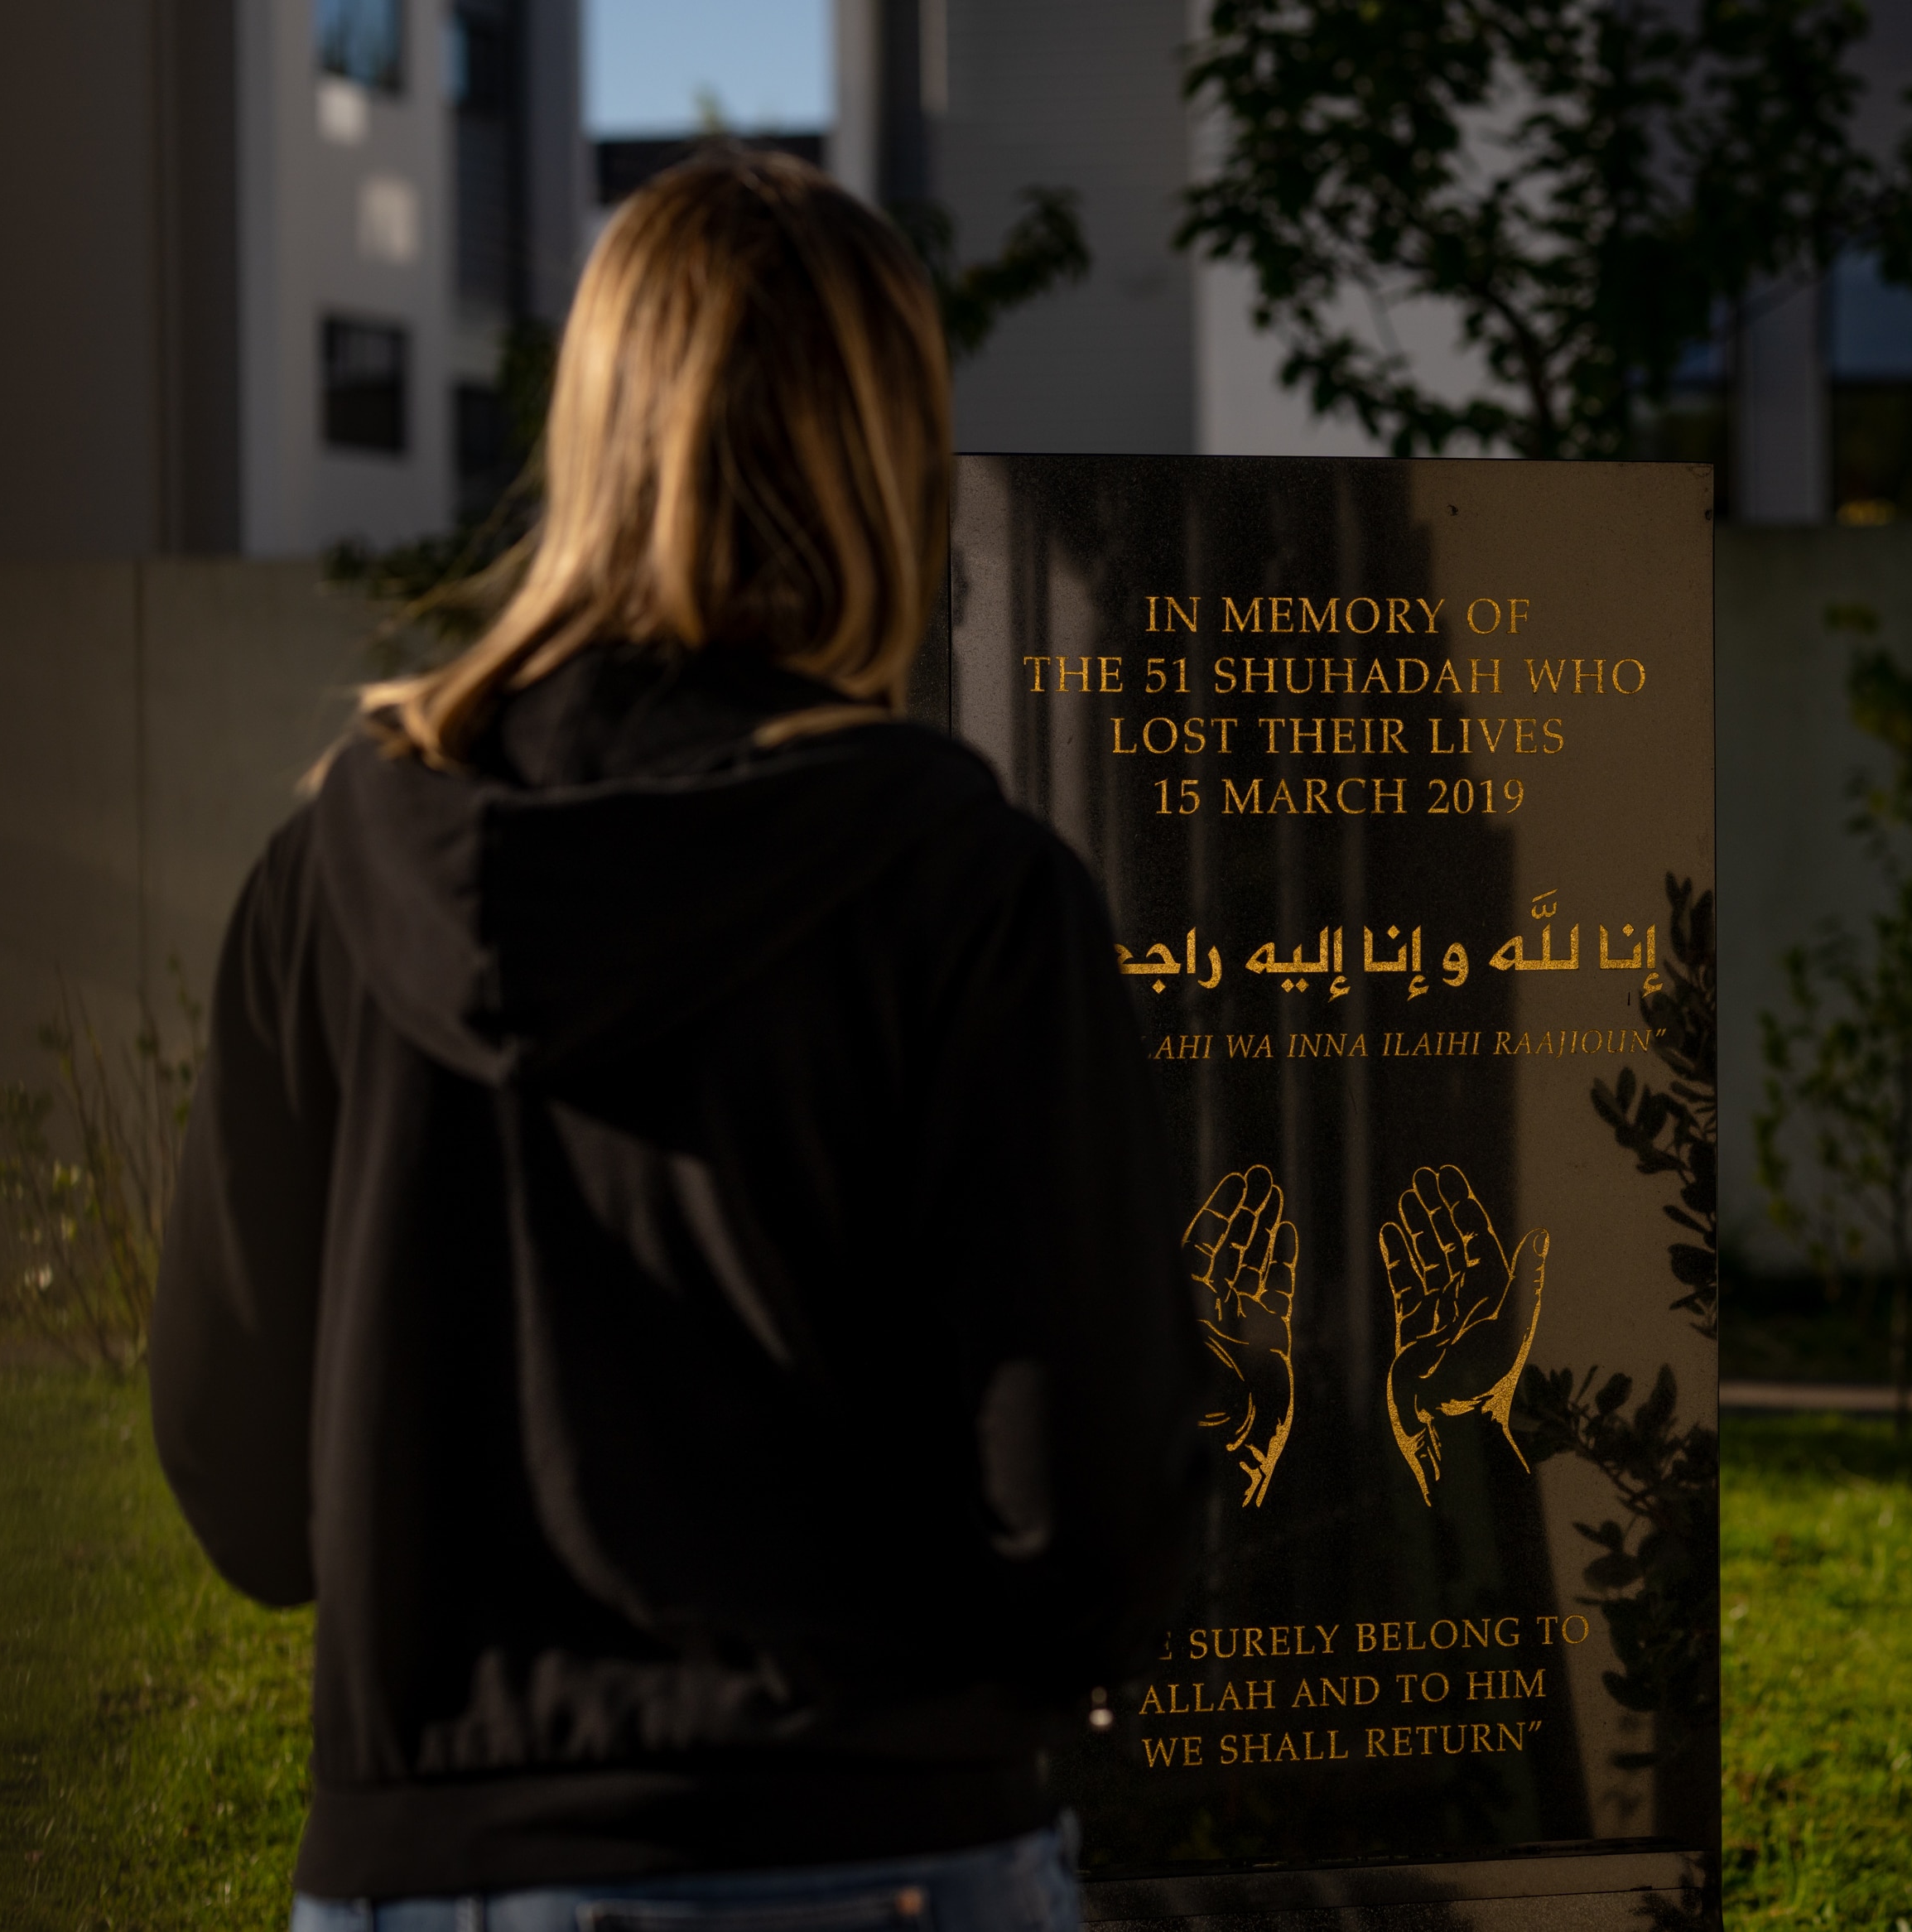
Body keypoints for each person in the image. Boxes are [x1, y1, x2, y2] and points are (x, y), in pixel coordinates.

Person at [149, 149, 1205, 1932]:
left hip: (428, 1878)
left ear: (592, 430)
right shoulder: (970, 894)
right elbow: (1084, 1532)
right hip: (881, 1859)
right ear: (892, 459)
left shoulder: (328, 879)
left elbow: (244, 1495)